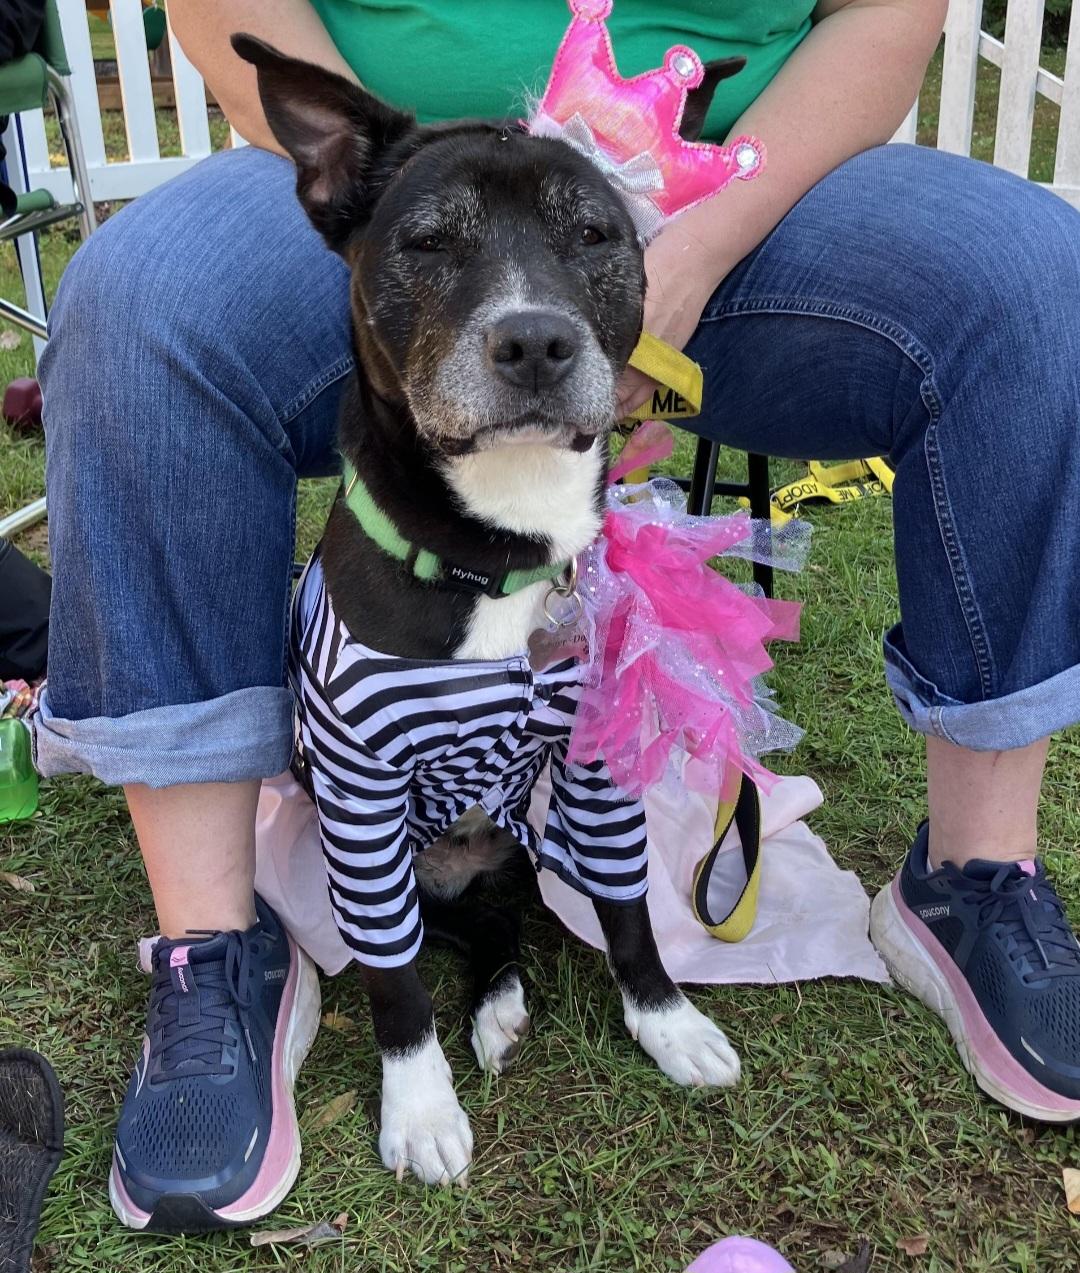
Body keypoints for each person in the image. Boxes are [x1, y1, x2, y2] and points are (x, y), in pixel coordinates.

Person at [33, 0, 1080, 1231]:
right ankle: (212, 943)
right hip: (400, 183)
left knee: (1034, 279)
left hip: (756, 180)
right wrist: (386, 182)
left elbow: (888, 18)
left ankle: (973, 878)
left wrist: (686, 247)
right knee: (139, 301)